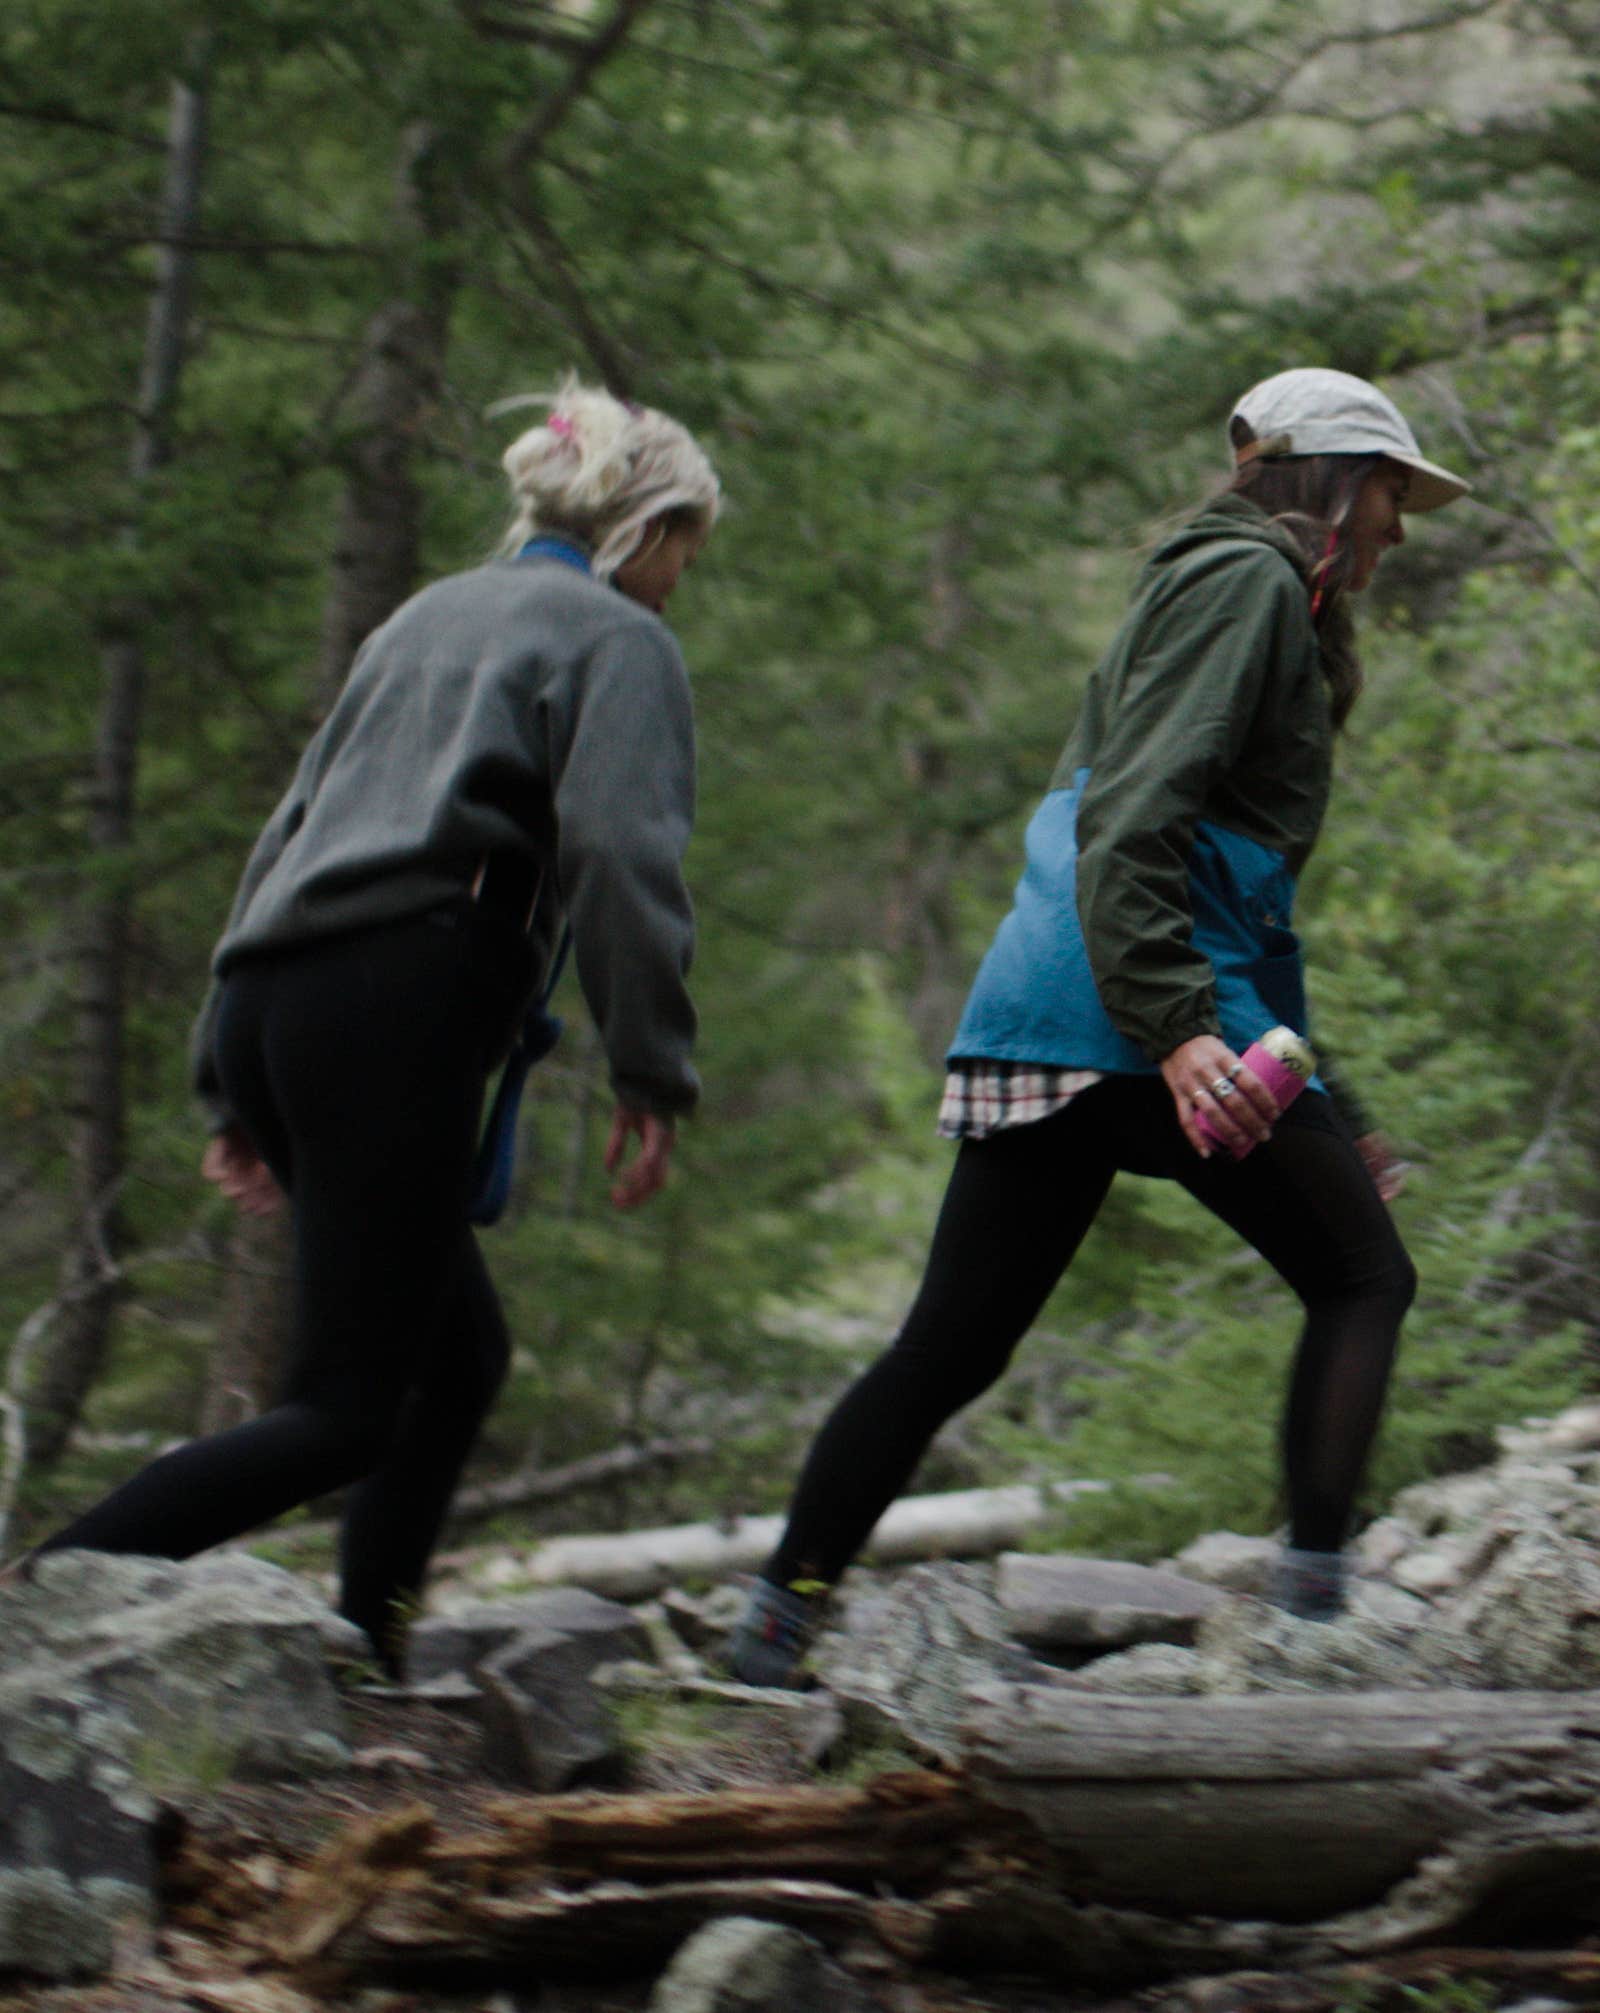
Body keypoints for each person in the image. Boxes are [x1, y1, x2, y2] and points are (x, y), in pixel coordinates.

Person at [725, 369, 1455, 1683]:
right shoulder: (1240, 583)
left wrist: (1329, 1100)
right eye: (1398, 492)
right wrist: (1177, 1032)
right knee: (1363, 1279)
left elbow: (1224, 890)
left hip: (1063, 998)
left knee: (948, 1347)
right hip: (1145, 1009)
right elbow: (1135, 818)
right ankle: (1310, 1625)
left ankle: (778, 1621)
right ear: (1340, 483)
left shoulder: (1230, 586)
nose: (1404, 529)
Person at [28, 380, 716, 1669]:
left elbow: (293, 826)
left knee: (455, 1359)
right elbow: (622, 857)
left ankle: (368, 1656)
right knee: (342, 1409)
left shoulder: (428, 615)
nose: (685, 578)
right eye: (687, 547)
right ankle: (47, 1596)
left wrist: (228, 1076)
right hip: (398, 997)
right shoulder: (618, 640)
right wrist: (652, 1071)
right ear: (646, 527)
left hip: (277, 996)